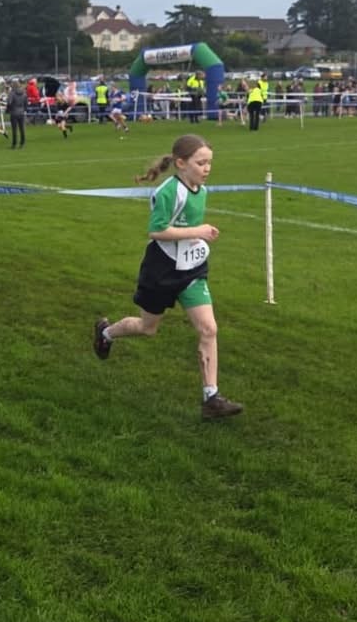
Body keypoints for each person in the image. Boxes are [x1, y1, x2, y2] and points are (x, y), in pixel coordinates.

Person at [91, 134, 243, 419]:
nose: (207, 169)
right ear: (181, 163)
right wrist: (198, 231)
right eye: (201, 163)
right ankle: (106, 333)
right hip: (161, 269)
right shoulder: (169, 192)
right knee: (147, 328)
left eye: (210, 163)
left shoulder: (200, 189)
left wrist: (199, 237)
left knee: (209, 329)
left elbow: (187, 227)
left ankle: (211, 398)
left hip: (192, 268)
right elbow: (157, 230)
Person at [6, 82, 27, 149]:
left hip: (14, 112)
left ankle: (14, 144)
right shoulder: (24, 93)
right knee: (22, 128)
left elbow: (9, 103)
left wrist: (8, 110)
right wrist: (24, 110)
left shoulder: (12, 93)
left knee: (14, 129)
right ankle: (22, 143)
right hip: (21, 112)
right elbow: (26, 103)